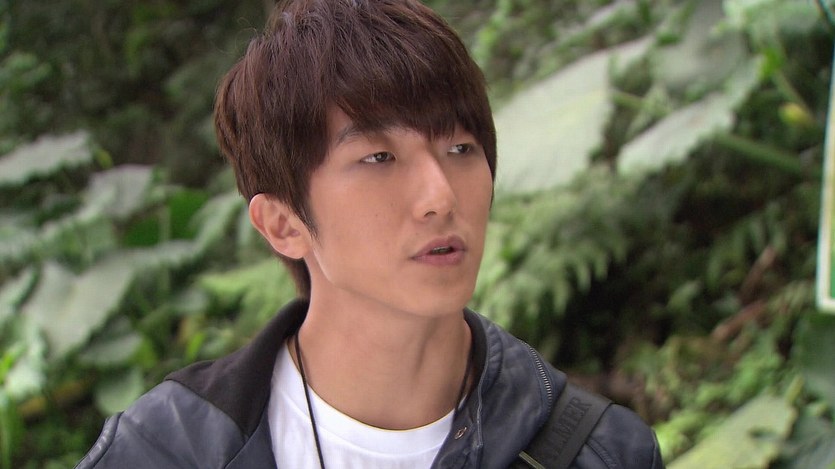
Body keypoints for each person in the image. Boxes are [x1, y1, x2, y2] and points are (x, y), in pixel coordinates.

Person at [76, 0, 664, 467]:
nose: (440, 196)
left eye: (461, 148)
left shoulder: (599, 453)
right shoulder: (165, 452)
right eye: (379, 157)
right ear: (283, 224)